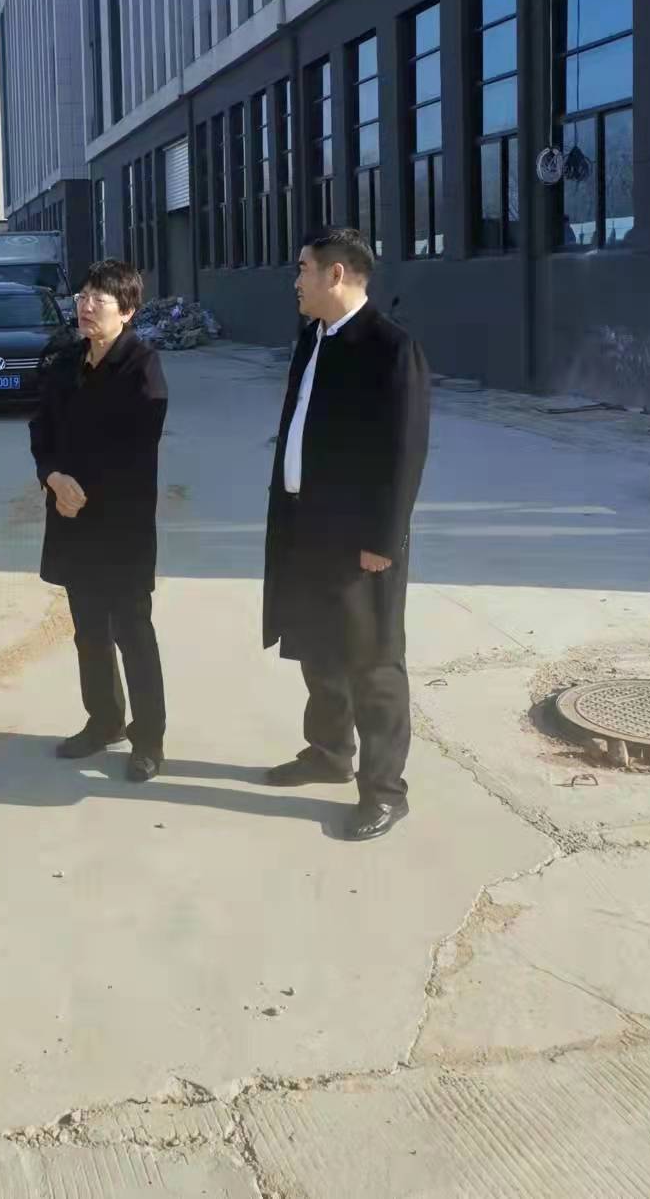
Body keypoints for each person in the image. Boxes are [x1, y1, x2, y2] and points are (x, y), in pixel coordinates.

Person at [262, 227, 430, 842]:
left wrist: (383, 540)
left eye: (303, 269)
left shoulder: (390, 347)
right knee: (318, 645)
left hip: (360, 537)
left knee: (372, 659)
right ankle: (330, 752)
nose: (296, 281)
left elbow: (404, 452)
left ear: (336, 274)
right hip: (305, 523)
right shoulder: (313, 337)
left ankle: (385, 791)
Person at [30, 259, 169, 782]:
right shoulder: (66, 361)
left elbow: (136, 449)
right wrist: (53, 477)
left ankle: (148, 737)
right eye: (82, 296)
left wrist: (81, 492)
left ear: (127, 311)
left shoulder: (142, 367)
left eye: (98, 300)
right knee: (88, 630)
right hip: (71, 519)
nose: (85, 307)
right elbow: (41, 429)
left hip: (121, 525)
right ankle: (103, 720)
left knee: (133, 632)